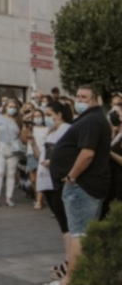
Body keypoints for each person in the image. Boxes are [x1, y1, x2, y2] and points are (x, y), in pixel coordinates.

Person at [48, 85, 112, 285]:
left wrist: (71, 176)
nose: (79, 100)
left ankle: (70, 279)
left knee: (79, 234)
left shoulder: (92, 120)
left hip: (83, 185)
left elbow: (87, 153)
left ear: (94, 100)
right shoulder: (90, 119)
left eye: (84, 97)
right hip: (85, 183)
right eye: (77, 96)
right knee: (83, 233)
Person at [34, 101, 73, 283]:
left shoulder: (66, 128)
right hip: (46, 181)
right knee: (62, 224)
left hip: (56, 181)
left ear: (58, 114)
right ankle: (69, 261)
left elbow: (65, 153)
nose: (46, 118)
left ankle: (70, 262)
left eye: (49, 114)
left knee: (66, 225)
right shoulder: (52, 131)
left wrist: (54, 162)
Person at [0, 98, 24, 208]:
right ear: (5, 107)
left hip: (13, 149)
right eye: (10, 107)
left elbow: (21, 136)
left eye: (14, 107)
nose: (12, 109)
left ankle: (9, 198)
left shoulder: (19, 120)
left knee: (11, 174)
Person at [25, 107, 49, 210]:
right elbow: (23, 138)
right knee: (33, 179)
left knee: (40, 178)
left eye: (39, 116)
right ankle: (38, 196)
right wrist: (27, 118)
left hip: (42, 155)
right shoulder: (30, 128)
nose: (37, 118)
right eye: (35, 116)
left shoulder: (47, 129)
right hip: (31, 154)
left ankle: (39, 200)